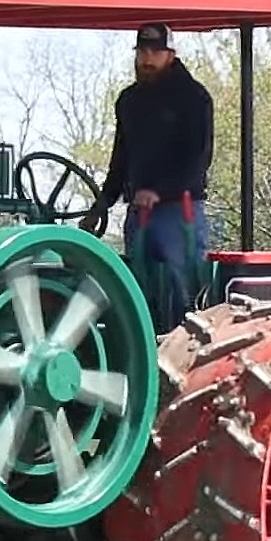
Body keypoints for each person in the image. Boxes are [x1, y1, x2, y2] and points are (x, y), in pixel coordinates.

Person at [81, 22, 213, 330]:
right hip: (139, 212)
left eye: (155, 51)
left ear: (171, 54)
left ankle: (187, 355)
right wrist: (101, 206)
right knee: (139, 289)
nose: (147, 59)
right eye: (142, 51)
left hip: (179, 210)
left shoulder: (193, 98)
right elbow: (121, 158)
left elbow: (198, 158)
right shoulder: (130, 101)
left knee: (184, 290)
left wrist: (160, 191)